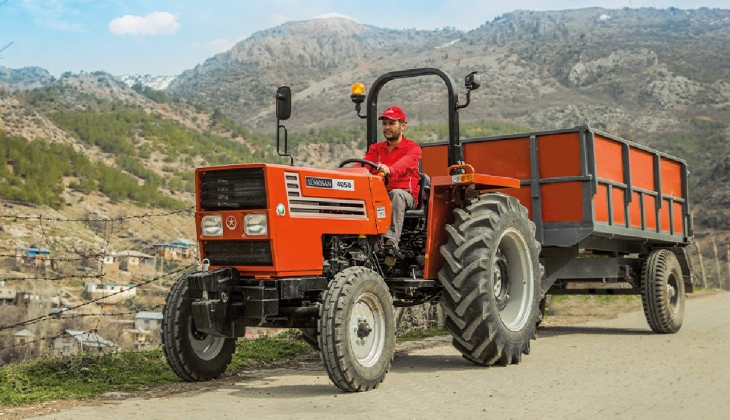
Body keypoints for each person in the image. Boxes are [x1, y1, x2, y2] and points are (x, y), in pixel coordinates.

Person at [363, 105, 422, 258]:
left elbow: (405, 164)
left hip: (405, 196)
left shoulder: (412, 148)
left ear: (403, 125)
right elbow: (363, 165)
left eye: (391, 123)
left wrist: (390, 169)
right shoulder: (376, 148)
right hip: (379, 195)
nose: (387, 127)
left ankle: (390, 241)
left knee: (396, 194)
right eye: (384, 124)